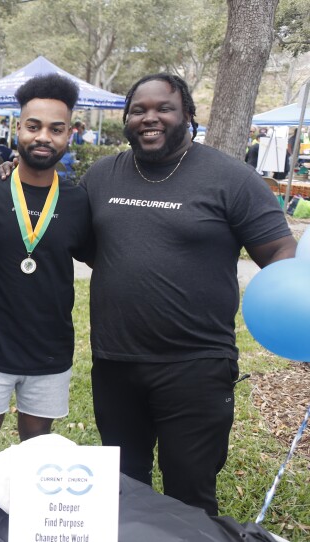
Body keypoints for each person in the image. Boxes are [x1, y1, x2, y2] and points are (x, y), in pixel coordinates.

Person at [82, 73, 296, 516]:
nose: (149, 118)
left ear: (187, 116)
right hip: (115, 363)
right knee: (122, 493)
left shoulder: (230, 178)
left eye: (163, 108)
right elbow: (75, 238)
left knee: (190, 497)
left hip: (196, 366)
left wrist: (293, 298)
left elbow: (279, 249)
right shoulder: (102, 176)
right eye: (138, 110)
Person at [0, 74, 94, 495]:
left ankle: (30, 520)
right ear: (17, 128)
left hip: (49, 348)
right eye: (33, 125)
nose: (43, 137)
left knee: (38, 446)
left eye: (56, 129)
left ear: (70, 134)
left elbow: (98, 255)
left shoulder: (78, 200)